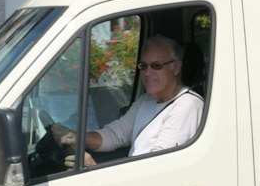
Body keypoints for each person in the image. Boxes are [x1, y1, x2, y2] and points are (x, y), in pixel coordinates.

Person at [52, 34, 203, 165]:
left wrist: (93, 168)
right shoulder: (146, 100)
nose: (148, 72)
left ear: (176, 68)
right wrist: (78, 138)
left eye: (156, 66)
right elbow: (115, 135)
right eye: (143, 66)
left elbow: (159, 167)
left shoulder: (188, 105)